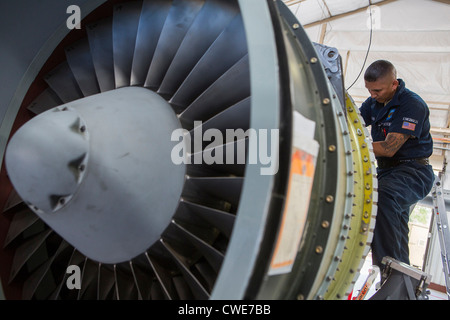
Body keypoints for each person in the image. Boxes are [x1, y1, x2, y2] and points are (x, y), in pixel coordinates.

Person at [359, 60, 435, 270]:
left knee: (383, 197)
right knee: (394, 225)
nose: (372, 95)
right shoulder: (374, 102)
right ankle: (400, 277)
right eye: (369, 90)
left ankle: (388, 271)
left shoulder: (412, 105)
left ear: (394, 84)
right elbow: (353, 123)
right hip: (387, 171)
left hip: (413, 172)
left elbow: (387, 148)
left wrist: (350, 142)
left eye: (377, 90)